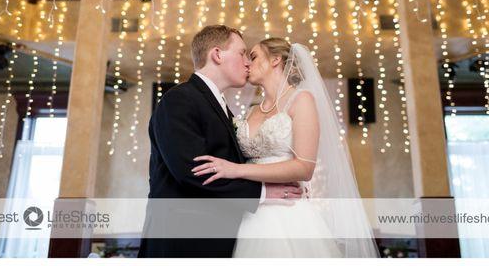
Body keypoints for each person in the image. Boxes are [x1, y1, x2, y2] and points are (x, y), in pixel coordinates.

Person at [191, 37, 380, 257]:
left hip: (287, 213)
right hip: (249, 214)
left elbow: (304, 168)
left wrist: (235, 169)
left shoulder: (301, 100)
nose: (247, 63)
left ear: (275, 60)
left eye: (253, 56)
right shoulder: (252, 111)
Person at [138, 26, 303, 258]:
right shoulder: (180, 99)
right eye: (242, 53)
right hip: (182, 242)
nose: (247, 63)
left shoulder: (220, 106)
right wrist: (263, 193)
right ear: (217, 55)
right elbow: (194, 171)